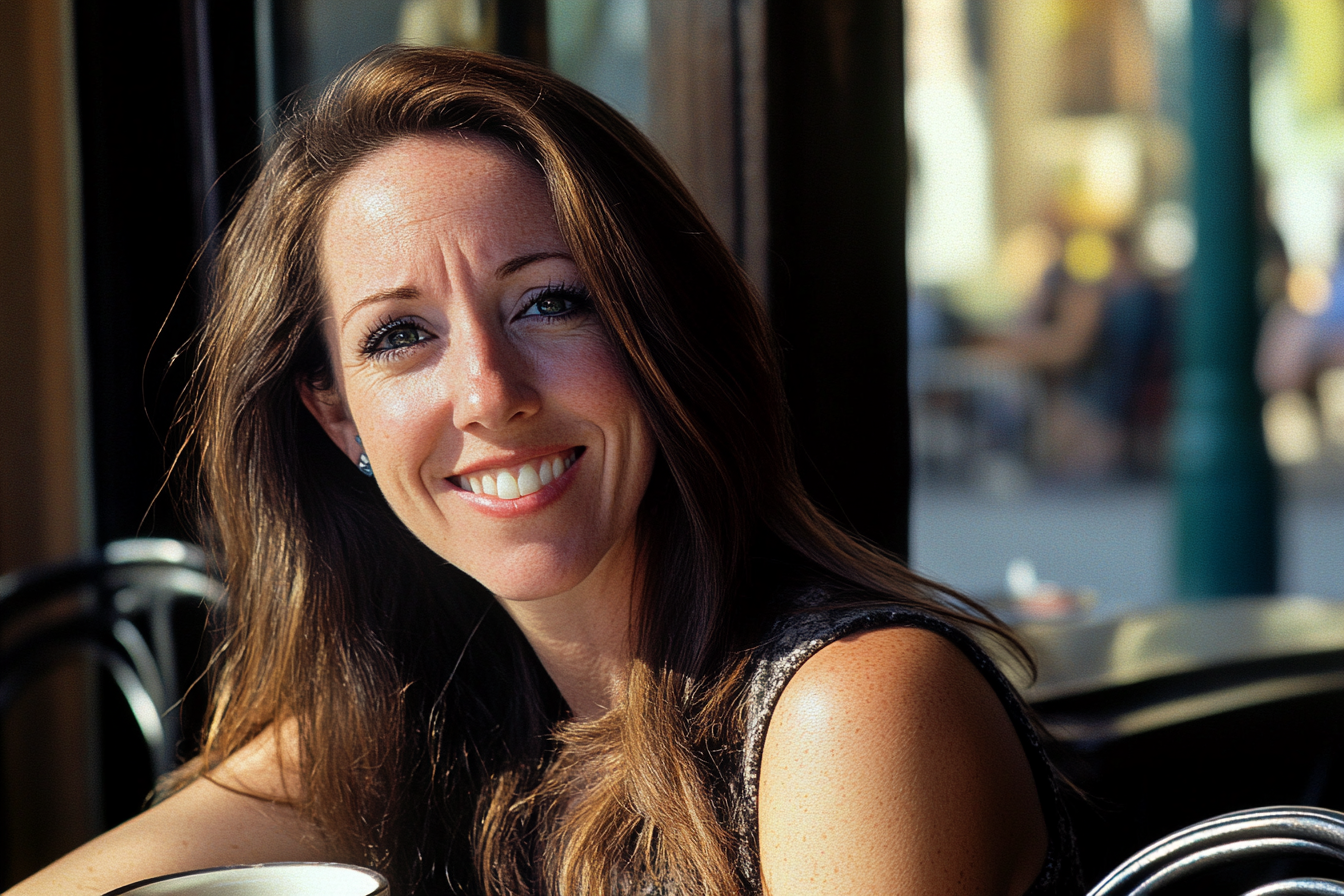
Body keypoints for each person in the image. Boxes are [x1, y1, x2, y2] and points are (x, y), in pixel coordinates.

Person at [9, 46, 1078, 896]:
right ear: (340, 423)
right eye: (398, 337)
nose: (489, 390)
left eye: (548, 301)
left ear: (660, 333)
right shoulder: (421, 709)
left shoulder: (851, 709)